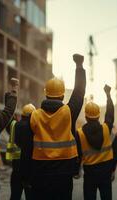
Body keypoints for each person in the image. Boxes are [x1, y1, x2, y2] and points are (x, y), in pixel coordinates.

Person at [28, 54, 86, 200]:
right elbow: (79, 91)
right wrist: (79, 66)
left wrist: (26, 174)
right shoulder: (68, 112)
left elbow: (27, 147)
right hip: (64, 172)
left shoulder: (35, 115)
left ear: (46, 94)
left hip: (39, 171)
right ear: (62, 96)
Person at [76, 84, 117, 200]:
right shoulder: (106, 128)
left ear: (86, 116)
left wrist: (77, 170)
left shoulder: (80, 133)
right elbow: (110, 113)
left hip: (90, 173)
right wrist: (108, 95)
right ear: (99, 115)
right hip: (106, 171)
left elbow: (78, 154)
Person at [6, 104, 36, 200]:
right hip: (29, 170)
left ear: (22, 115)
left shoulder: (14, 125)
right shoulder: (34, 128)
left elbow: (8, 122)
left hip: (16, 169)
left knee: (15, 196)